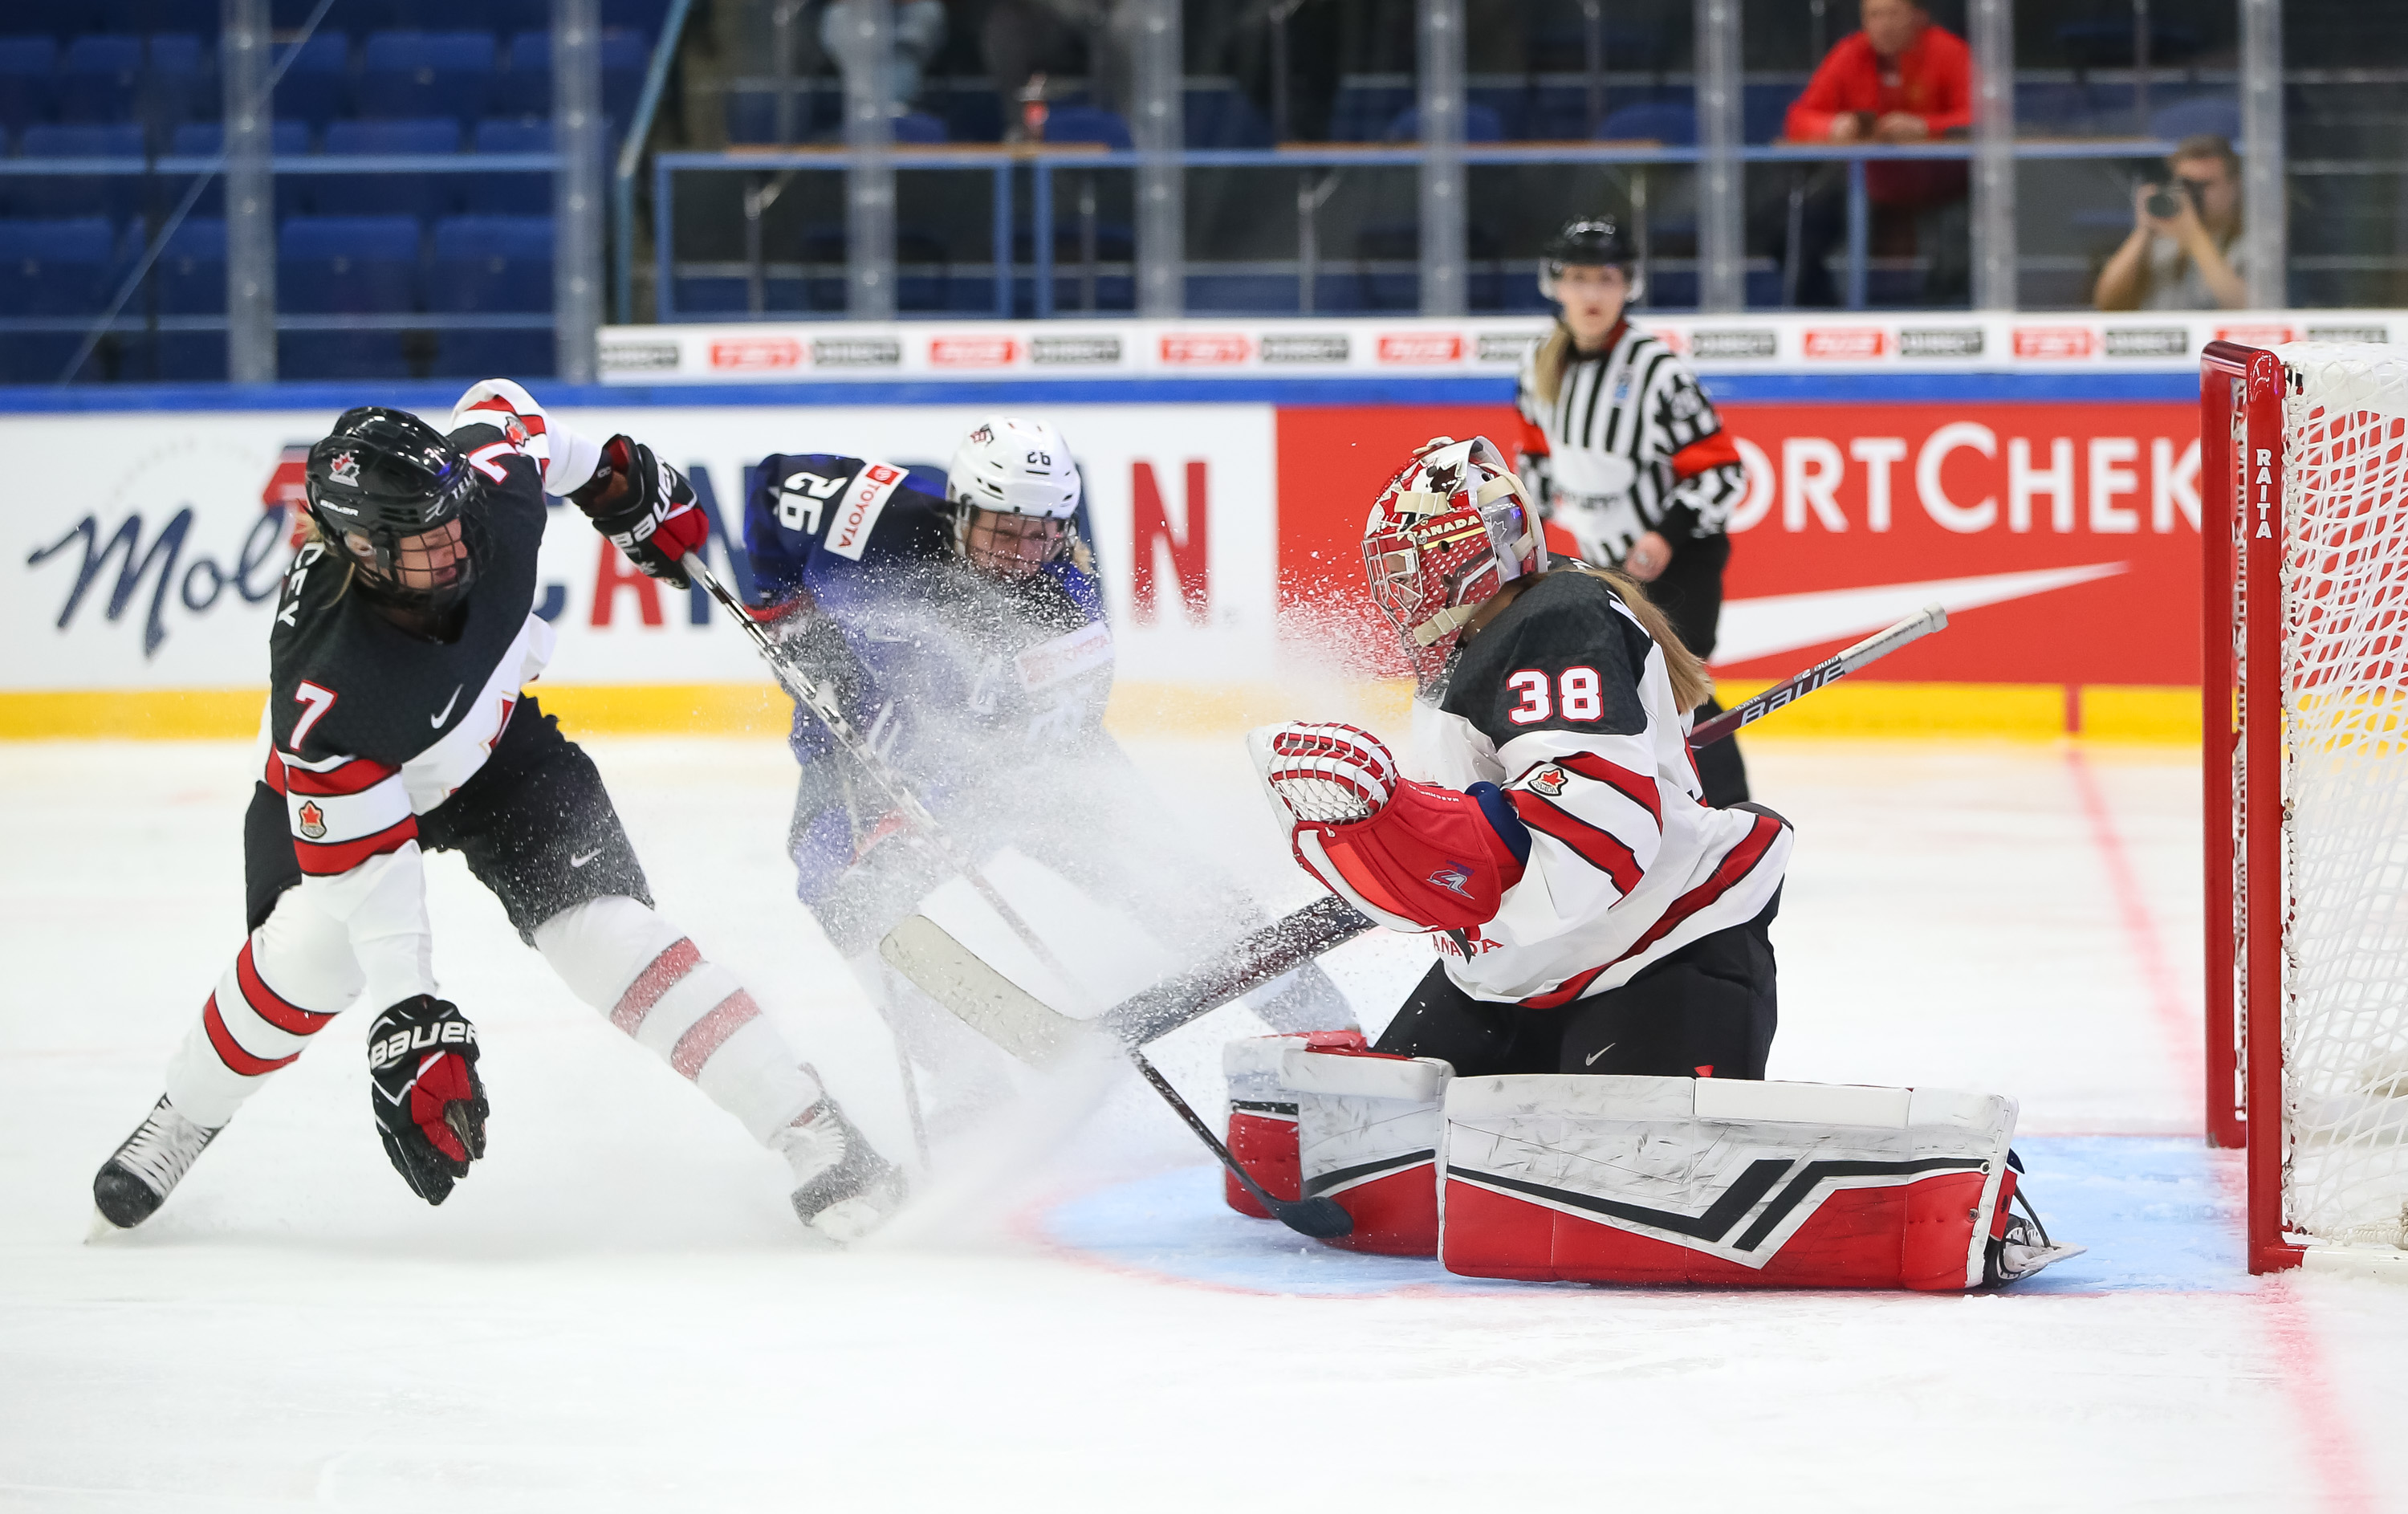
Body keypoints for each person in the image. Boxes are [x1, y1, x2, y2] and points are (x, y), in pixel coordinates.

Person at [91, 382, 906, 1243]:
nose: (454, 545)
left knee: (610, 936)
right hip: (360, 794)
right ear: (363, 550)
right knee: (310, 955)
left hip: (497, 747)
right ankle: (185, 1114)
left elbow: (509, 408)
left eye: (452, 518)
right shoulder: (328, 696)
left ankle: (813, 1127)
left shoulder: (487, 494)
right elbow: (370, 882)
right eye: (423, 540)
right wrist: (409, 1013)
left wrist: (613, 479)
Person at [741, 417, 1351, 1097]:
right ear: (961, 508)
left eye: (1044, 532)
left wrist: (908, 827)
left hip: (1036, 776)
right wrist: (787, 613)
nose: (1024, 551)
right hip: (852, 760)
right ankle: (972, 1087)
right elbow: (770, 490)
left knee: (1181, 888)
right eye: (1004, 529)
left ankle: (1333, 1039)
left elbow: (1005, 770)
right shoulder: (873, 513)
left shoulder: (1062, 616)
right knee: (838, 890)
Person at [1248, 437, 1791, 1083]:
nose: (1401, 593)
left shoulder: (1554, 626)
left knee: (1614, 1173)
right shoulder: (1477, 640)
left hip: (1655, 954)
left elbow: (1590, 854)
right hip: (1512, 979)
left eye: (1414, 567)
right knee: (1361, 1155)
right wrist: (1387, 857)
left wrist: (1401, 825)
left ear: (1476, 555)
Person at [1514, 216, 1751, 807]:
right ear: (1555, 285)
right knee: (1623, 687)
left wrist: (1666, 535)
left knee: (1677, 691)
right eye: (1578, 278)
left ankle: (1731, 815)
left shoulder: (1656, 371)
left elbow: (1723, 470)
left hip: (1680, 561)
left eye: (1606, 278)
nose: (1591, 294)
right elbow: (1538, 462)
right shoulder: (1538, 363)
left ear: (1629, 286)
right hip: (1603, 562)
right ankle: (1654, 811)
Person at [1780, 0, 1974, 306]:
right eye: (1874, 15)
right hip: (1869, 178)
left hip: (1940, 181)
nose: (1882, 24)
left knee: (1960, 234)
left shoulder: (1949, 52)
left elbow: (1981, 117)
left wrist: (1926, 127)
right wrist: (1833, 126)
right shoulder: (1851, 52)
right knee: (1793, 224)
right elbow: (1799, 118)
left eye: (1893, 13)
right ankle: (1821, 315)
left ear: (1918, 16)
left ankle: (1945, 320)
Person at [2093, 135, 2250, 311]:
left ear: (2234, 187)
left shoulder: (2248, 244)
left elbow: (2246, 307)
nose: (2194, 195)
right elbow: (2106, 304)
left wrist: (2194, 236)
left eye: (2205, 185)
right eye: (2186, 185)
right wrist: (2145, 230)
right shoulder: (2160, 241)